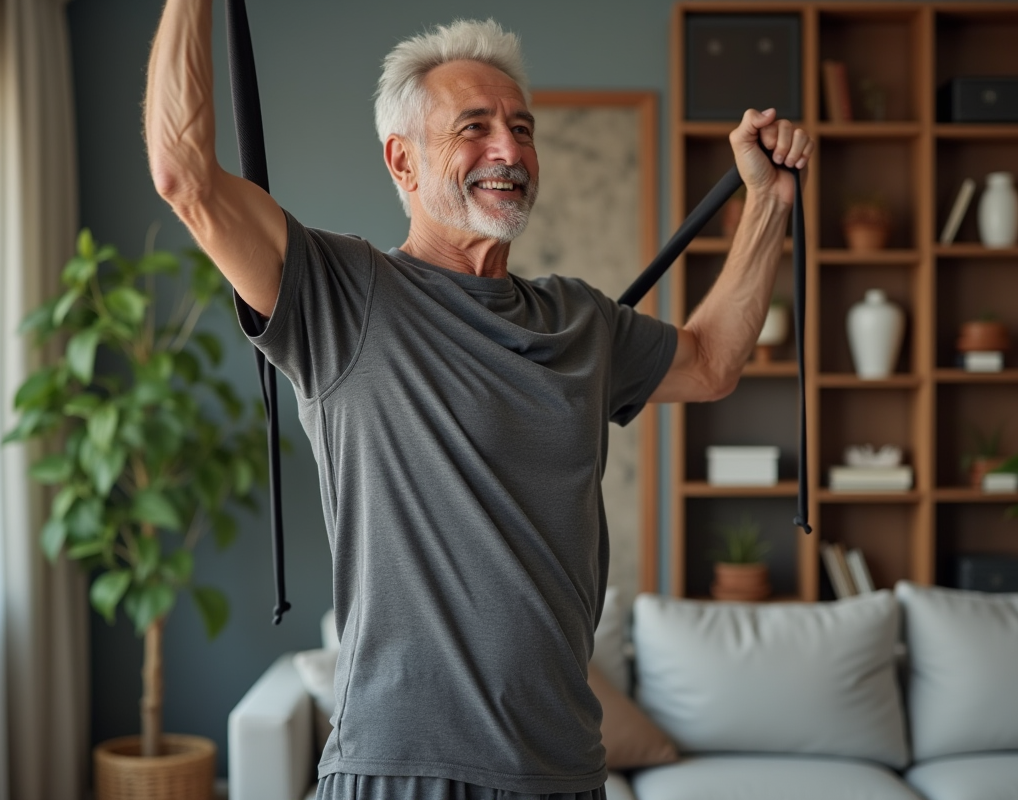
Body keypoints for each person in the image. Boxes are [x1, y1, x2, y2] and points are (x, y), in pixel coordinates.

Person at [145, 5, 813, 800]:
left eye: (522, 127)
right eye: (474, 127)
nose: (509, 149)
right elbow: (184, 172)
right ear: (403, 161)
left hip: (564, 773)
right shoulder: (344, 295)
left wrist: (768, 202)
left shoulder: (579, 319)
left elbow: (711, 365)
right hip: (399, 769)